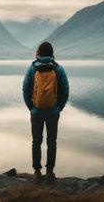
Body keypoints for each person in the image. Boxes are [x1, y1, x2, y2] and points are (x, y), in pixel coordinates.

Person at [22, 41, 69, 184]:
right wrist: (58, 107)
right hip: (53, 112)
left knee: (36, 141)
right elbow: (65, 91)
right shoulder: (58, 69)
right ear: (52, 54)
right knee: (51, 142)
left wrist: (32, 107)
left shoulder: (32, 68)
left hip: (36, 111)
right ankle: (49, 173)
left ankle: (37, 173)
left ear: (39, 54)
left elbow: (25, 89)